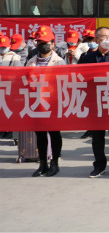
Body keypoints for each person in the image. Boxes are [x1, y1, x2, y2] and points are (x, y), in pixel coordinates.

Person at [78, 26, 109, 178]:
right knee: (97, 137)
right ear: (96, 40)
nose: (107, 40)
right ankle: (99, 165)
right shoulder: (88, 58)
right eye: (103, 37)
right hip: (95, 103)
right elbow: (81, 79)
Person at [26, 28, 65, 177]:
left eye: (45, 42)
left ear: (52, 44)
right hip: (37, 103)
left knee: (54, 134)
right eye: (40, 42)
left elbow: (64, 82)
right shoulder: (31, 61)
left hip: (53, 103)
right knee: (40, 135)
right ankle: (42, 163)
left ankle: (55, 163)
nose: (42, 45)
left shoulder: (59, 61)